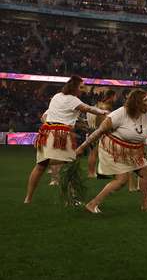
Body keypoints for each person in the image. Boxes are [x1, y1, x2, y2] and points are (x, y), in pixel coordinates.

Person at [24, 76, 109, 204]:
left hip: (46, 133)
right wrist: (103, 112)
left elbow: (44, 117)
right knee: (71, 164)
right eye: (81, 87)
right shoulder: (73, 100)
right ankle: (72, 199)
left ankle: (28, 199)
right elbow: (88, 108)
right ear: (74, 87)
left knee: (40, 166)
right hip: (61, 135)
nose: (83, 89)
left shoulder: (57, 96)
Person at [87, 88, 117, 179]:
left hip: (93, 130)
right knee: (94, 153)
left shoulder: (99, 104)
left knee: (95, 153)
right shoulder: (104, 107)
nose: (116, 98)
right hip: (99, 131)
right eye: (115, 96)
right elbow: (100, 121)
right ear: (111, 96)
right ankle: (92, 173)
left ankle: (95, 172)